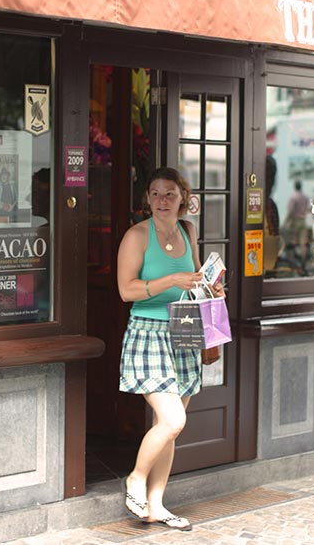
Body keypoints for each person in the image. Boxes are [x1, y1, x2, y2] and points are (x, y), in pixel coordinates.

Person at [117, 166, 226, 531]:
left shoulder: (187, 231)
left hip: (183, 329)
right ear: (147, 198)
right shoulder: (136, 236)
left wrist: (210, 289)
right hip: (147, 332)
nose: (162, 201)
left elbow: (193, 280)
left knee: (171, 428)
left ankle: (156, 505)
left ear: (183, 199)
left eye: (170, 194)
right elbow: (126, 290)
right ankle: (135, 477)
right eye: (155, 194)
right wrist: (169, 279)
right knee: (172, 420)